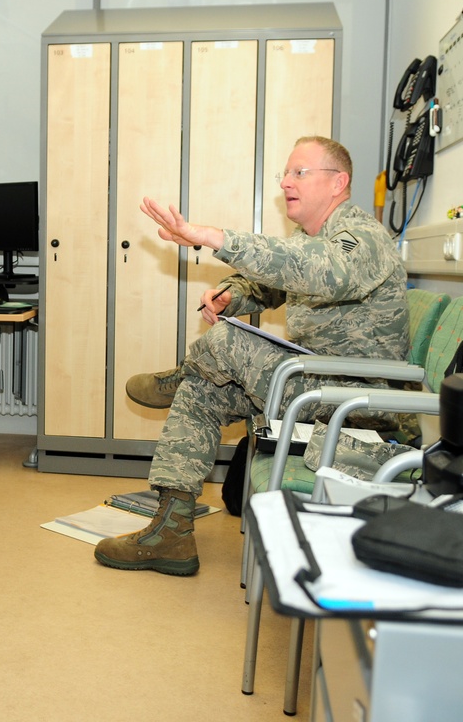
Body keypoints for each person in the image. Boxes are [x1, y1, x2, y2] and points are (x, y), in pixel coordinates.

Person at [97, 136, 409, 576]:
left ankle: (185, 370)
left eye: (299, 172)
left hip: (360, 399)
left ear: (338, 182)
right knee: (202, 391)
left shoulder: (362, 238)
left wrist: (210, 237)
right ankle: (170, 532)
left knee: (225, 345)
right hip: (313, 382)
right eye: (285, 173)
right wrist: (229, 294)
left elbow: (319, 269)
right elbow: (269, 283)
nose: (285, 182)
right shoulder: (311, 239)